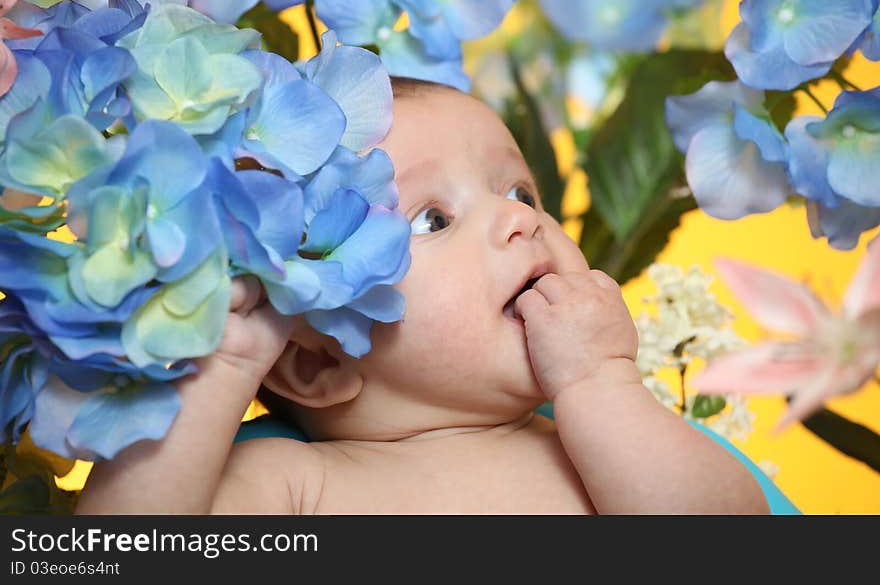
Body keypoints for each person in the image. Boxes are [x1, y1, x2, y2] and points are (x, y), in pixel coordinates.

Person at [76, 78, 771, 515]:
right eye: (432, 219)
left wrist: (603, 380)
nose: (521, 218)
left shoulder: (596, 449)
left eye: (520, 190)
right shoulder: (297, 485)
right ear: (316, 363)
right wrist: (224, 365)